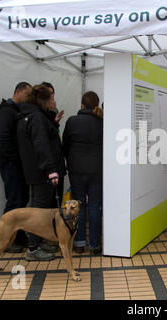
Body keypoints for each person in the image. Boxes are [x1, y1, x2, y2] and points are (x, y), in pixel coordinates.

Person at [16, 84, 67, 261]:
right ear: (43, 100)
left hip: (37, 171)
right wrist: (51, 170)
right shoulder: (36, 117)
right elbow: (41, 145)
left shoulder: (31, 115)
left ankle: (38, 243)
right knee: (38, 211)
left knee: (41, 209)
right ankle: (33, 248)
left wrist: (53, 122)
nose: (54, 101)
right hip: (41, 173)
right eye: (51, 98)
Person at [63, 91, 103, 255]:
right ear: (96, 104)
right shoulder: (102, 122)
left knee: (77, 206)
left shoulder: (72, 121)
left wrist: (71, 161)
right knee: (94, 206)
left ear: (82, 104)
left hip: (76, 170)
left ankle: (79, 244)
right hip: (97, 170)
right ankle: (95, 245)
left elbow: (64, 145)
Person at [0, 82, 31, 253]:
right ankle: (6, 240)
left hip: (18, 163)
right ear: (18, 91)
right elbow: (3, 139)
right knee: (14, 200)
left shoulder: (16, 111)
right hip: (10, 163)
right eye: (27, 93)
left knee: (22, 199)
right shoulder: (6, 112)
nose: (28, 97)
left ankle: (19, 235)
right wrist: (14, 158)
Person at [41, 82, 65, 206]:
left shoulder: (53, 111)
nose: (52, 99)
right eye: (49, 96)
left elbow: (54, 136)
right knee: (48, 202)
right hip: (48, 166)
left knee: (57, 200)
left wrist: (55, 120)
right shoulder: (39, 115)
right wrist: (53, 120)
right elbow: (44, 139)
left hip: (57, 164)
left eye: (53, 95)